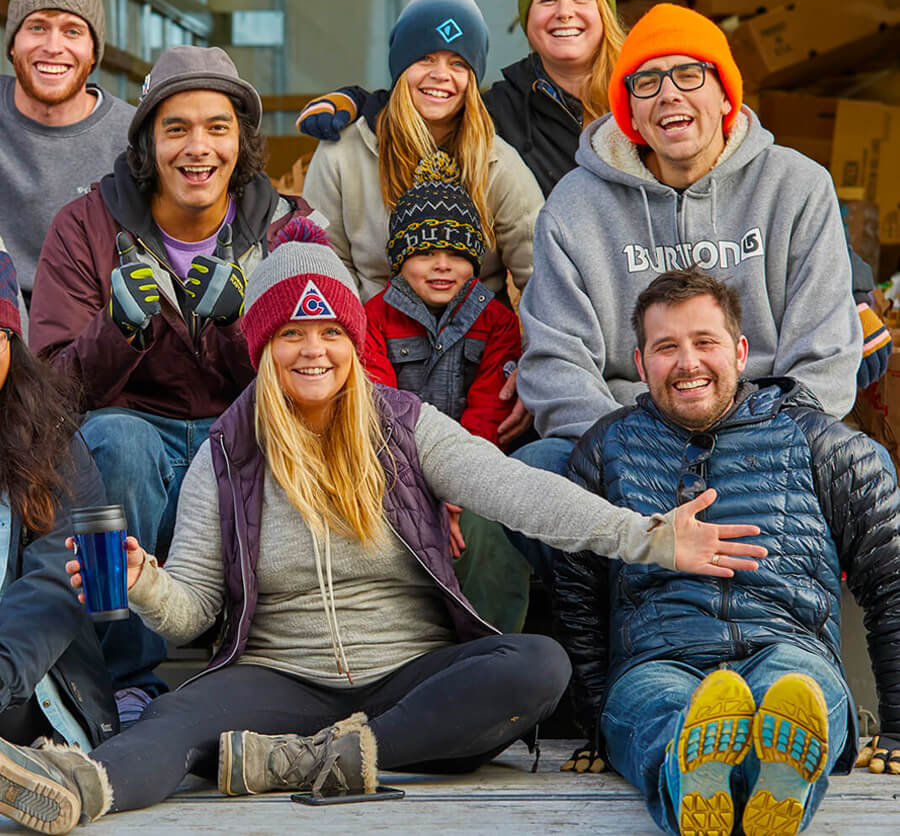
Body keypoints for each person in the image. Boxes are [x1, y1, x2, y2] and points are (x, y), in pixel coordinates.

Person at [0, 237, 767, 834]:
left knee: (536, 662)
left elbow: (522, 491)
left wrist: (650, 537)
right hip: (279, 678)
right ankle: (78, 786)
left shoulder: (403, 427)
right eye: (292, 333)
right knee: (174, 719)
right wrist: (145, 585)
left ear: (352, 340)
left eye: (331, 330)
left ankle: (317, 762)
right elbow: (194, 612)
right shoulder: (229, 452)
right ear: (264, 348)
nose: (314, 351)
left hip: (410, 678)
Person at [552, 269, 900, 836]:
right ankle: (714, 775)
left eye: (704, 342)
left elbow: (891, 582)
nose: (688, 362)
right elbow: (577, 596)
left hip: (786, 644)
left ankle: (744, 775)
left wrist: (898, 727)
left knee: (794, 694)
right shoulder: (605, 450)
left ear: (740, 351)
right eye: (666, 347)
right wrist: (595, 725)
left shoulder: (825, 444)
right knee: (662, 710)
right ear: (641, 365)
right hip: (657, 660)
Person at [513, 4, 864, 564]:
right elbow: (555, 363)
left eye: (689, 74)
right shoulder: (575, 206)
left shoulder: (796, 187)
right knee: (536, 473)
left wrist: (751, 441)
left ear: (725, 95)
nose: (669, 94)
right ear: (630, 111)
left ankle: (812, 637)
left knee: (864, 466)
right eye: (647, 82)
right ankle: (594, 643)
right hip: (626, 434)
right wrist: (635, 445)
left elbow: (824, 354)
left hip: (766, 430)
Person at [28, 45, 316, 722]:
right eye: (176, 127)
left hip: (246, 431)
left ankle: (268, 666)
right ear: (147, 140)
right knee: (117, 442)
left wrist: (241, 330)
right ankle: (127, 680)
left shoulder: (289, 228)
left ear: (242, 139)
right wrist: (116, 330)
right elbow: (43, 396)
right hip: (135, 436)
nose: (198, 147)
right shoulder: (86, 225)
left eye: (217, 127)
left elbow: (326, 373)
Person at [298, 0, 624, 199]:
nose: (564, 12)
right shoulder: (502, 108)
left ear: (605, 11)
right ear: (527, 20)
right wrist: (356, 100)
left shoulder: (642, 88)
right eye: (547, 0)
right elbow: (430, 109)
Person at [363, 150, 529, 632]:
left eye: (457, 253)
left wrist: (454, 492)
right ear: (399, 258)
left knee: (491, 534)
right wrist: (425, 492)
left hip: (474, 472)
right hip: (396, 473)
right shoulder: (372, 319)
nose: (442, 266)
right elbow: (382, 410)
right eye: (425, 253)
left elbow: (489, 413)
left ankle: (492, 652)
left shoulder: (497, 321)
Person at [301, 0, 540, 306]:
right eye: (425, 58)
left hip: (478, 341)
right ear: (400, 69)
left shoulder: (496, 161)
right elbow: (322, 262)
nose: (441, 74)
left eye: (458, 63)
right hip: (371, 337)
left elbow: (540, 276)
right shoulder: (343, 152)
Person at [0, 250, 117, 753]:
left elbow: (56, 589)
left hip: (25, 697)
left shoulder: (50, 442)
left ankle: (40, 769)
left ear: (12, 344)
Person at [1, 0, 134, 305]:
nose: (53, 46)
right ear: (12, 44)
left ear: (93, 54)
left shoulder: (134, 139)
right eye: (37, 27)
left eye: (72, 31)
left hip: (91, 333)